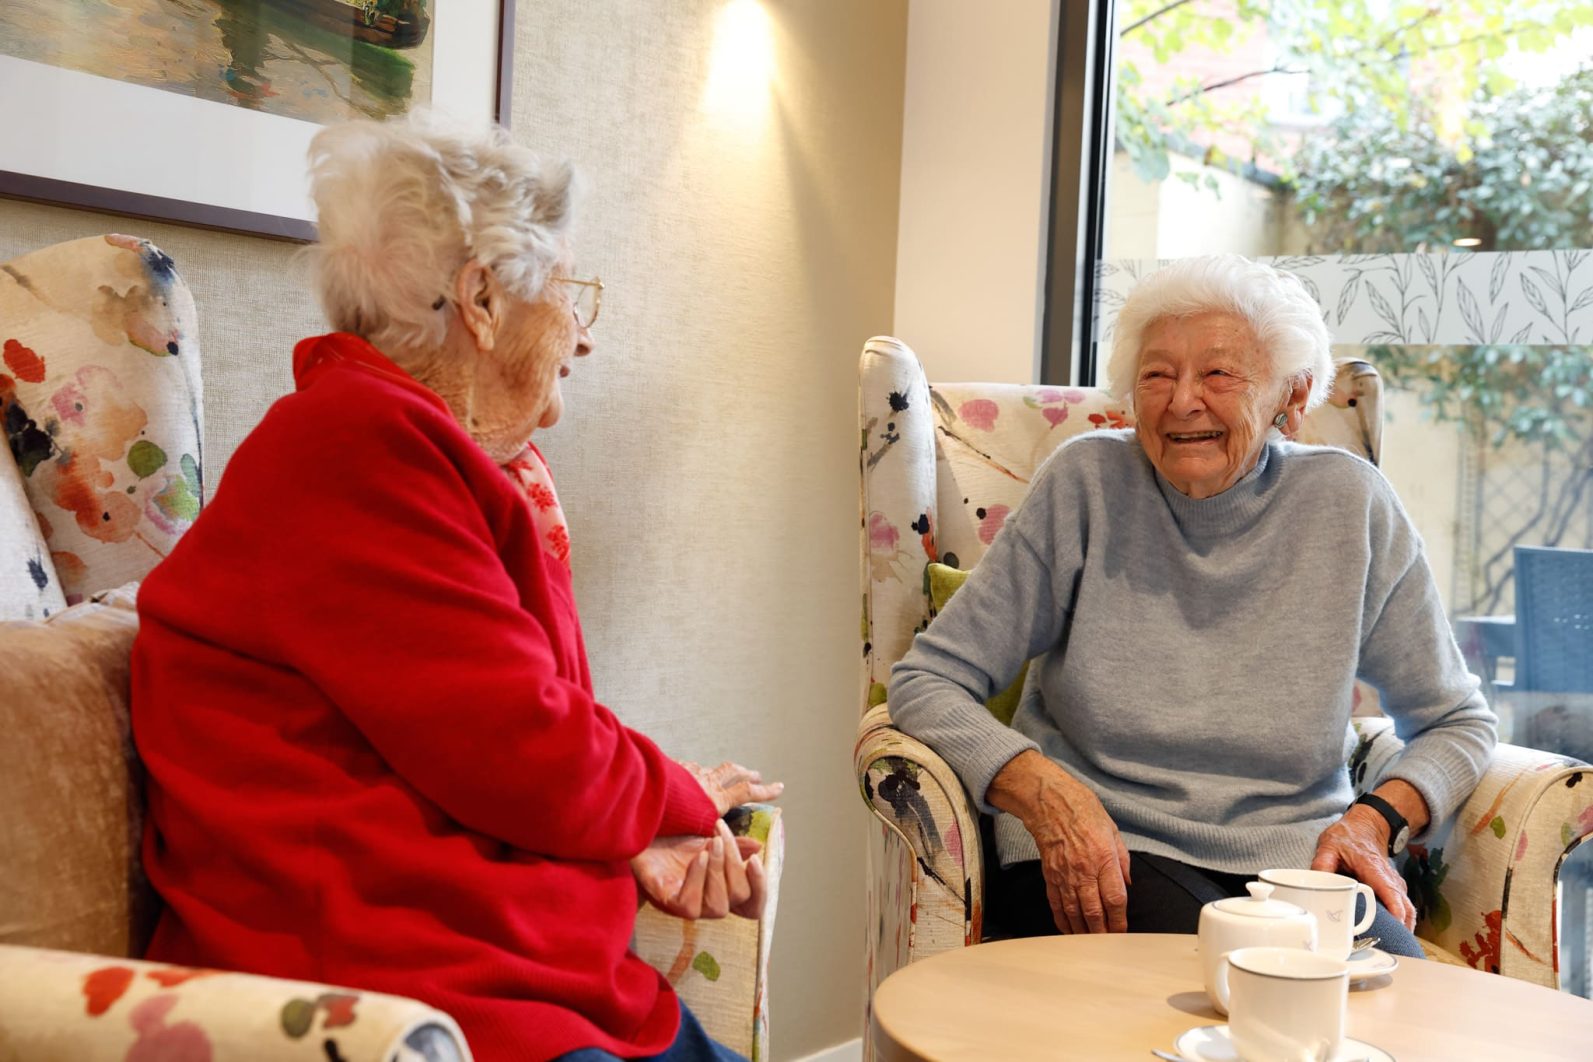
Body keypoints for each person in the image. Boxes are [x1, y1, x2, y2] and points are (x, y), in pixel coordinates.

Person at [131, 112, 780, 1062]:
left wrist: (630, 831)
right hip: (408, 1005)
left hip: (504, 982)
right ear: (478, 298)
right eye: (572, 292)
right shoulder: (357, 447)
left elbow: (467, 740)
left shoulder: (406, 448)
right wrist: (669, 796)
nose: (584, 339)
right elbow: (521, 741)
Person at [889, 255, 1496, 956]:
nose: (1182, 401)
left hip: (1294, 863)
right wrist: (1043, 791)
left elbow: (1456, 721)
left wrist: (1372, 821)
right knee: (1240, 987)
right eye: (1156, 374)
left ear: (1290, 399)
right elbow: (926, 681)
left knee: (1397, 997)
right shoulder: (1086, 485)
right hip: (1103, 849)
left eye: (1217, 374)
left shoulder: (1348, 504)